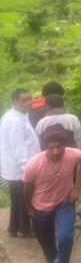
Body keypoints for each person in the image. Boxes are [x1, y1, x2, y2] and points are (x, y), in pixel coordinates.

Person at [23, 125, 81, 263]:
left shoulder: (75, 154)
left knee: (66, 237)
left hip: (65, 202)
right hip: (41, 208)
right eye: (51, 148)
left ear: (65, 145)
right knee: (48, 246)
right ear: (45, 147)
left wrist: (77, 187)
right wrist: (29, 208)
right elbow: (27, 189)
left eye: (59, 146)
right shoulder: (33, 165)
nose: (56, 151)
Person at [0, 89, 40, 237]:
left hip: (16, 168)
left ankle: (13, 228)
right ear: (14, 102)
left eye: (30, 99)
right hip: (20, 169)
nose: (29, 102)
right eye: (24, 100)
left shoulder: (20, 116)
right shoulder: (14, 121)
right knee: (24, 199)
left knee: (17, 199)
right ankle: (24, 229)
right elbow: (19, 149)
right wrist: (26, 170)